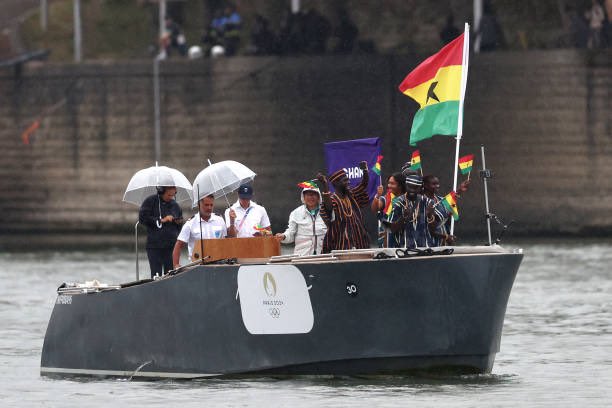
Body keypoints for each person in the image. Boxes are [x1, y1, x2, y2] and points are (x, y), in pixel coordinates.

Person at [317, 161, 370, 252]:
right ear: (336, 183)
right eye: (345, 180)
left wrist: (365, 170)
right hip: (340, 244)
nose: (348, 182)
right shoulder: (333, 199)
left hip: (359, 242)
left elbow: (363, 184)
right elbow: (328, 208)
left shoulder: (350, 195)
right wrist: (325, 185)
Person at [139, 186, 183, 278]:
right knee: (156, 275)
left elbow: (180, 223)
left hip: (171, 246)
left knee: (171, 275)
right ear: (162, 191)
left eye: (173, 195)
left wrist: (177, 220)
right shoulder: (150, 201)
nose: (171, 197)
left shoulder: (175, 205)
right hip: (155, 246)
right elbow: (142, 218)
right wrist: (161, 220)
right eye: (169, 195)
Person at [172, 194, 227, 269]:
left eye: (211, 205)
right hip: (197, 266)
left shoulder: (220, 220)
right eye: (206, 205)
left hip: (218, 264)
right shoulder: (190, 223)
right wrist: (176, 265)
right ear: (199, 205)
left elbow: (225, 242)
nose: (209, 208)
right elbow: (179, 245)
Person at [275, 187, 327, 255]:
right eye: (308, 195)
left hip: (324, 254)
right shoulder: (296, 213)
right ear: (303, 197)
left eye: (313, 194)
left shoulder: (327, 211)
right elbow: (291, 233)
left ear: (319, 197)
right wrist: (283, 236)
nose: (311, 197)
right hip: (302, 255)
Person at [423, 175, 470, 246]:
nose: (437, 186)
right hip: (429, 244)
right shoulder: (422, 202)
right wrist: (446, 237)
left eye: (438, 183)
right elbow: (428, 228)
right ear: (426, 185)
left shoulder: (440, 200)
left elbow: (450, 200)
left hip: (443, 244)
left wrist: (459, 190)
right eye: (434, 184)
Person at [371, 172, 406, 248]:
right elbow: (374, 209)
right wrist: (377, 196)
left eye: (392, 184)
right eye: (389, 183)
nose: (389, 186)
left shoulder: (407, 198)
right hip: (386, 239)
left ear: (400, 186)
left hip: (403, 238)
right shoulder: (386, 198)